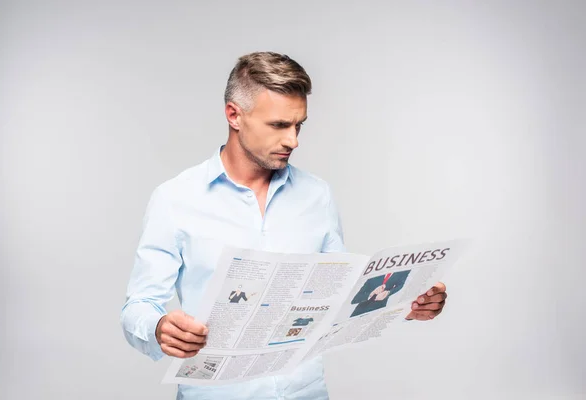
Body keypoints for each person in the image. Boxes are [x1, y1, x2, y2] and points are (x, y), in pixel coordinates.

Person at [120, 51, 448, 400]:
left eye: (298, 125)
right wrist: (157, 327)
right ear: (234, 115)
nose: (293, 140)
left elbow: (340, 296)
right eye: (279, 125)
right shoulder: (175, 199)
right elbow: (137, 306)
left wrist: (408, 303)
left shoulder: (317, 195)